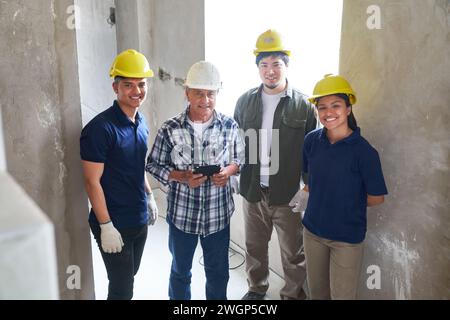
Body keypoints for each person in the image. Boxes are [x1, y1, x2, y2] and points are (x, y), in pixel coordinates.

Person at [146, 61, 245, 300]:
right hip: (183, 218)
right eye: (198, 93)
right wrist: (181, 177)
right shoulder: (170, 128)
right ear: (187, 93)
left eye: (210, 93)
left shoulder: (229, 126)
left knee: (218, 273)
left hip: (217, 217)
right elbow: (152, 164)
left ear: (217, 94)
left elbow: (240, 159)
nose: (205, 99)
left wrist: (227, 173)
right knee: (181, 272)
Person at [234, 29, 317, 300]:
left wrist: (306, 188)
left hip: (288, 194)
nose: (270, 71)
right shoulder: (245, 102)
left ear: (286, 65)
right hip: (254, 191)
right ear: (257, 67)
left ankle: (293, 295)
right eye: (264, 65)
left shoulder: (303, 106)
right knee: (254, 247)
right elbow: (236, 144)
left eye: (276, 64)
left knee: (293, 253)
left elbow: (313, 152)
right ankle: (256, 289)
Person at [80, 49, 159, 300]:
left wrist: (149, 196)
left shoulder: (141, 121)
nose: (136, 91)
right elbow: (92, 182)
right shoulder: (100, 129)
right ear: (115, 87)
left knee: (129, 274)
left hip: (138, 216)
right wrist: (106, 226)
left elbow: (138, 166)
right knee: (122, 290)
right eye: (128, 85)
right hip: (114, 220)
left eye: (141, 84)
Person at [301, 74, 388, 299]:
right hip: (312, 232)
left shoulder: (364, 153)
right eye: (322, 107)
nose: (328, 113)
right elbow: (310, 180)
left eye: (336, 105)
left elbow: (377, 198)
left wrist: (344, 201)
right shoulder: (311, 140)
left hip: (346, 239)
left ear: (348, 108)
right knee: (317, 293)